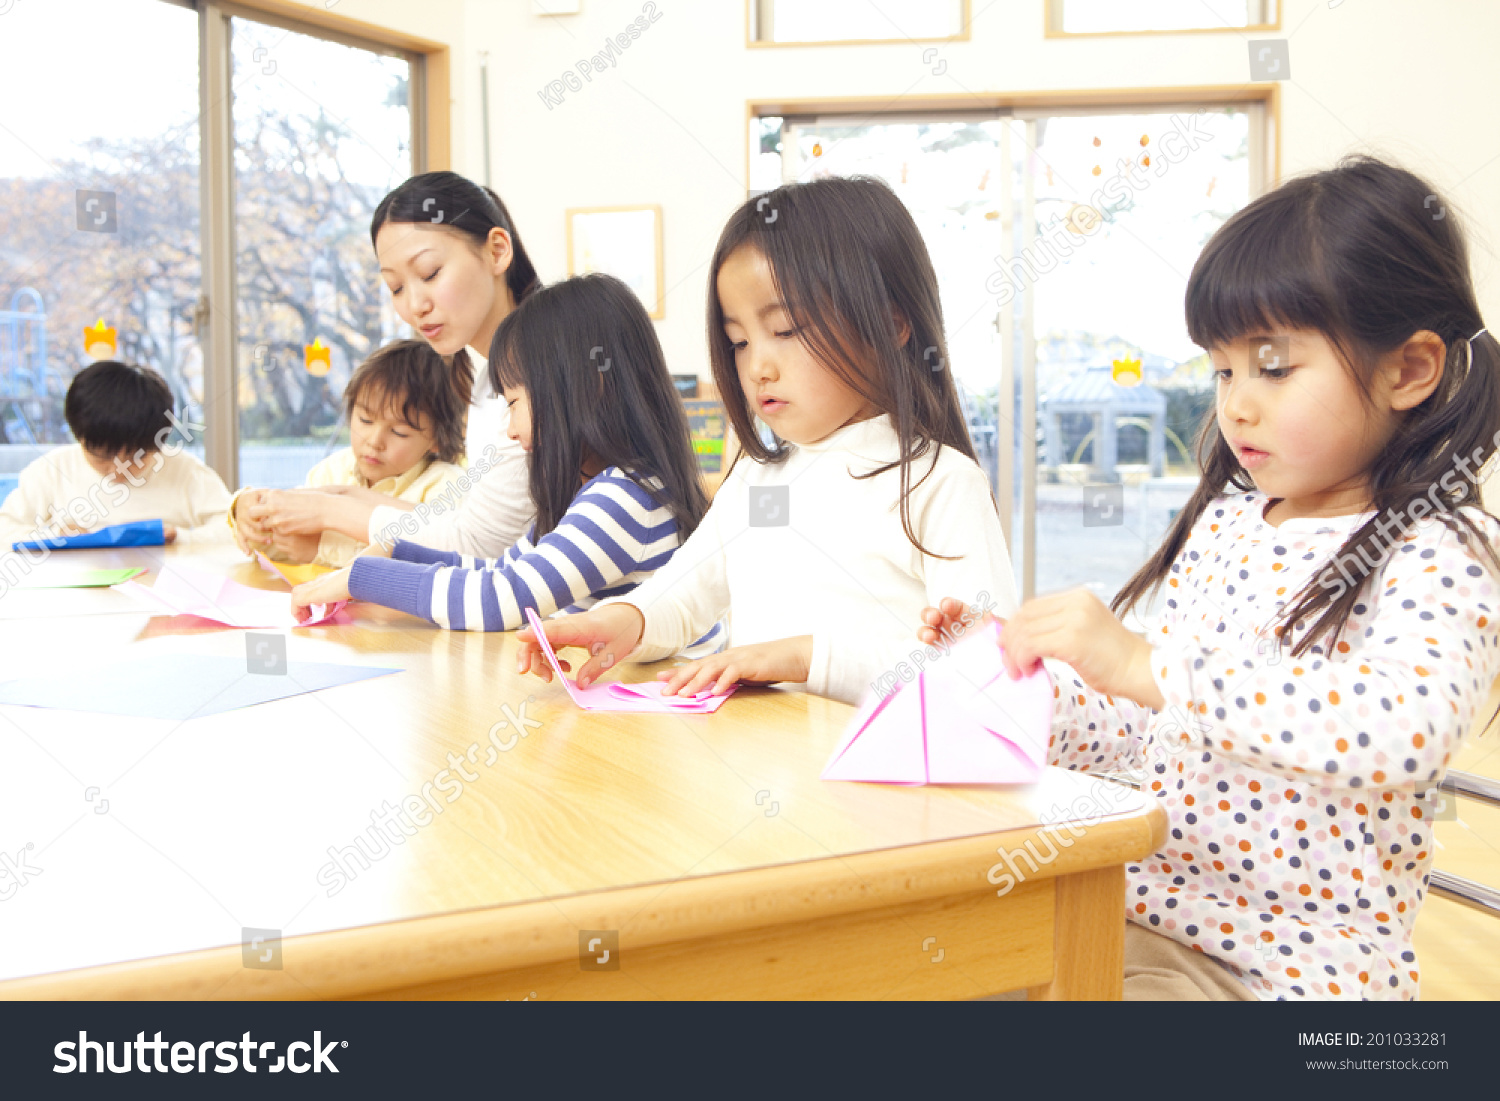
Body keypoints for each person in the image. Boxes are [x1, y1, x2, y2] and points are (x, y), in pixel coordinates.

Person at [919, 156, 1500, 1000]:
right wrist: (1027, 690)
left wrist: (1145, 664)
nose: (1235, 404)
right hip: (1133, 913)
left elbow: (1399, 729)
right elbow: (1159, 731)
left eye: (1273, 366)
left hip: (1293, 976)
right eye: (1223, 370)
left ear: (1408, 370)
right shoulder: (1230, 522)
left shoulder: (1439, 544)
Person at [514, 176, 1017, 705]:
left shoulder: (939, 482)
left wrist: (804, 658)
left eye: (785, 330)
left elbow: (986, 669)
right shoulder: (759, 478)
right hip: (762, 763)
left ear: (890, 325)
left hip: (883, 778)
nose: (758, 367)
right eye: (739, 341)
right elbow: (686, 591)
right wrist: (623, 621)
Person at [291, 274, 717, 649]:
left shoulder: (626, 498)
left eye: (513, 403)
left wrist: (362, 578)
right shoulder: (594, 490)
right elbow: (504, 568)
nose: (510, 429)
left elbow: (504, 597)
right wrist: (395, 554)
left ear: (587, 386)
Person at [249, 171, 541, 557]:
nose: (414, 306)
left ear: (497, 251)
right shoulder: (483, 376)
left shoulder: (539, 369)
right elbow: (469, 524)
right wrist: (344, 497)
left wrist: (331, 512)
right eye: (396, 288)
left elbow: (481, 545)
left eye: (429, 273)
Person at [229, 340, 468, 568]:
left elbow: (430, 566)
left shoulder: (448, 487)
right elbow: (279, 546)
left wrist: (321, 551)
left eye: (398, 432)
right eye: (365, 420)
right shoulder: (331, 471)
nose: (374, 442)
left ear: (437, 439)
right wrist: (248, 512)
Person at [0, 360, 230, 547]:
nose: (118, 470)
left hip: (159, 588)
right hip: (78, 592)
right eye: (101, 458)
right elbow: (6, 530)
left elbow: (232, 529)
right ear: (79, 437)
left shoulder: (183, 470)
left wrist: (180, 537)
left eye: (137, 458)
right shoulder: (53, 471)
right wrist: (55, 537)